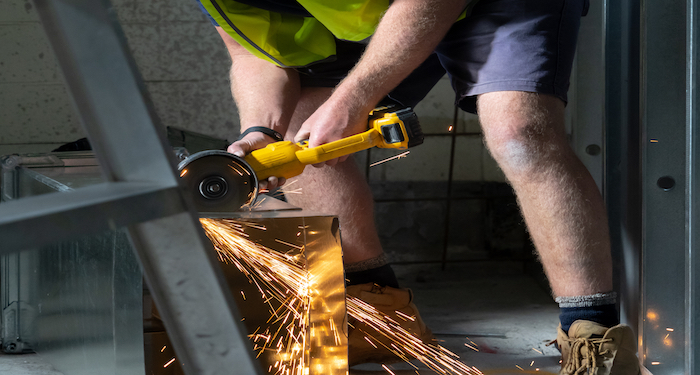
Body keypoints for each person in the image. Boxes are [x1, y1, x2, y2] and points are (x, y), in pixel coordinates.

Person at [195, 0, 642, 373]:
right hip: (387, 12)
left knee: (520, 133)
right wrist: (263, 132)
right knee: (302, 136)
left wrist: (353, 99)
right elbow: (254, 53)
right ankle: (381, 313)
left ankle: (592, 332)